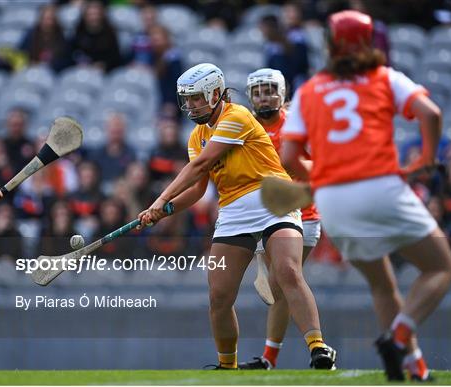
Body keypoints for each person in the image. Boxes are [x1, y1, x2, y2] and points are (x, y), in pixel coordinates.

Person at [279, 11, 451, 381]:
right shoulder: (384, 78)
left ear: (330, 46)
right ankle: (399, 336)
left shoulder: (310, 90)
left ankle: (414, 366)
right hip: (380, 187)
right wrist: (426, 157)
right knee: (441, 267)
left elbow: (290, 157)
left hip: (334, 201)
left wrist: (326, 175)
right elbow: (431, 114)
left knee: (381, 283)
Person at [138, 63, 336, 370]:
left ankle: (318, 348)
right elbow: (197, 190)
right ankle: (227, 366)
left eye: (196, 98)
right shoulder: (196, 136)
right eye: (186, 99)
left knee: (286, 272)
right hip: (233, 212)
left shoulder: (237, 116)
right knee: (219, 295)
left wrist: (160, 198)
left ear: (216, 93)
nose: (190, 105)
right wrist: (164, 211)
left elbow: (199, 167)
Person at [238, 68, 321, 370]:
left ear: (283, 93)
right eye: (258, 92)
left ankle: (316, 347)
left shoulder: (298, 125)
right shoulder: (245, 128)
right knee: (280, 285)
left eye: (270, 90)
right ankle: (272, 357)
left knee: (282, 279)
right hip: (265, 219)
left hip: (304, 215)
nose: (264, 97)